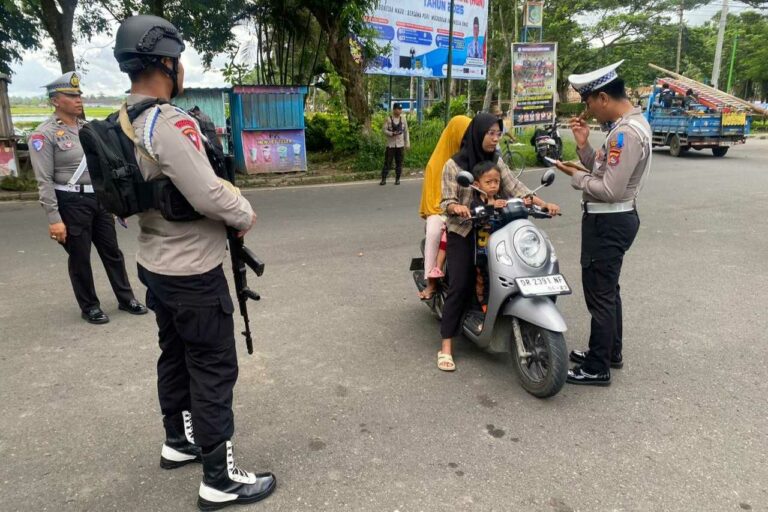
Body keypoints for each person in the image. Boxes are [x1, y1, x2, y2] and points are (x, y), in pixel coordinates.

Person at [112, 15, 275, 509]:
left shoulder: (123, 118)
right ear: (166, 61)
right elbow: (208, 194)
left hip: (155, 264)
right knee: (213, 367)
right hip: (192, 271)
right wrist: (244, 212)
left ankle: (178, 440)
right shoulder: (168, 121)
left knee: (177, 354)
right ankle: (219, 480)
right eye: (178, 60)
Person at [552, 60, 652, 386]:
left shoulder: (626, 134)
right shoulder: (626, 127)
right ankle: (610, 352)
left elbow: (609, 188)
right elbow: (603, 167)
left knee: (600, 295)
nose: (588, 110)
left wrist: (576, 177)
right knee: (609, 290)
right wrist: (583, 146)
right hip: (613, 220)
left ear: (604, 98)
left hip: (608, 222)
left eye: (589, 102)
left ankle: (597, 366)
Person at [437, 113, 560, 372]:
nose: (495, 139)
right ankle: (446, 345)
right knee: (461, 282)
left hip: (495, 228)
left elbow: (515, 188)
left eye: (498, 133)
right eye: (490, 133)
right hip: (465, 230)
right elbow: (445, 202)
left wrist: (542, 203)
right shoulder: (454, 165)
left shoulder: (496, 161)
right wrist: (458, 208)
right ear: (477, 133)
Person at [29, 71, 147, 324]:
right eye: (70, 95)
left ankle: (126, 298)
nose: (78, 99)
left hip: (98, 200)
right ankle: (90, 305)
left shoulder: (88, 129)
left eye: (79, 94)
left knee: (112, 252)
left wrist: (112, 201)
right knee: (80, 257)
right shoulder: (44, 134)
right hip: (70, 202)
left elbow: (102, 168)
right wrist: (54, 219)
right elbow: (44, 180)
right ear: (55, 100)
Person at [418, 115, 472, 300]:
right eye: (464, 135)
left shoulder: (472, 157)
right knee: (434, 231)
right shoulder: (437, 163)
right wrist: (449, 209)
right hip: (441, 210)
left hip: (470, 210)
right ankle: (431, 282)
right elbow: (434, 197)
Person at [468, 161, 509, 313]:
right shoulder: (476, 202)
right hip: (482, 249)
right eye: (488, 182)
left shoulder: (501, 198)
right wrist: (491, 207)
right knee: (483, 277)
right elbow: (475, 212)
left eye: (496, 182)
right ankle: (482, 306)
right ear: (477, 184)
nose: (493, 185)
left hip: (502, 248)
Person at [381, 103, 410, 185]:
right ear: (394, 110)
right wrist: (391, 133)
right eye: (398, 109)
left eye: (400, 109)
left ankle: (397, 179)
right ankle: (383, 179)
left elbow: (406, 131)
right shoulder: (388, 119)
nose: (399, 111)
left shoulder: (403, 119)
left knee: (399, 162)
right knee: (387, 162)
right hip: (390, 144)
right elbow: (384, 130)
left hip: (400, 145)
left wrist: (407, 143)